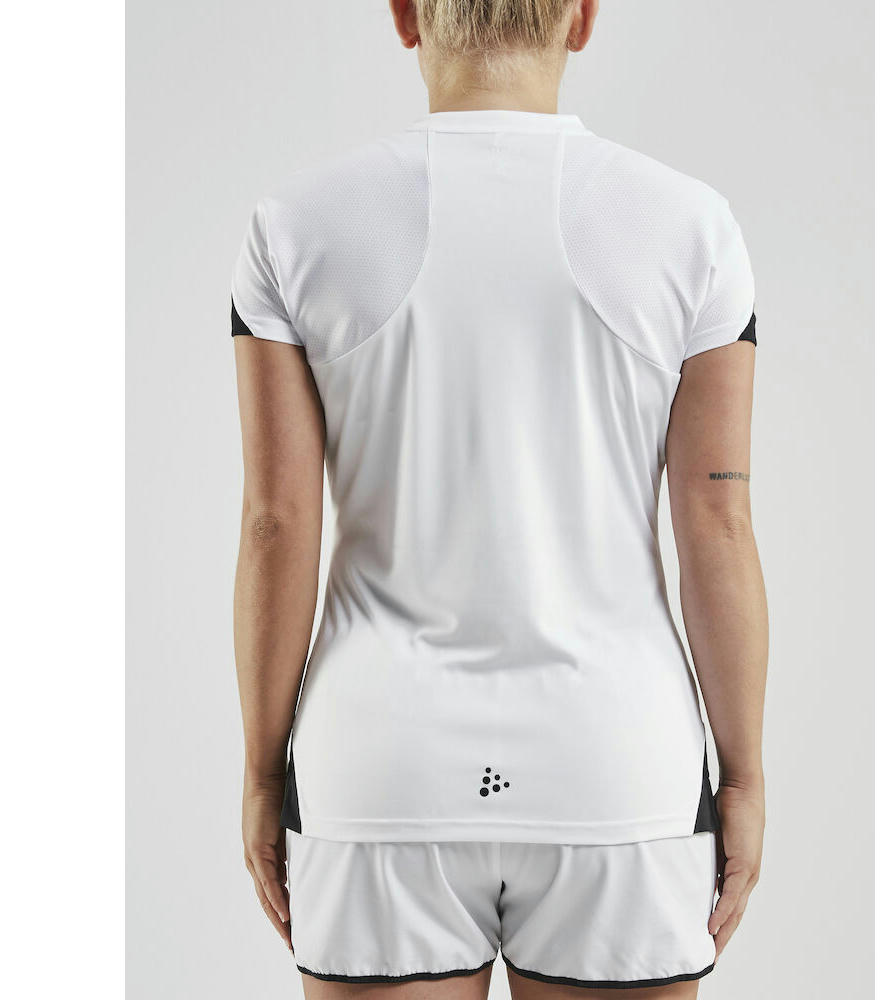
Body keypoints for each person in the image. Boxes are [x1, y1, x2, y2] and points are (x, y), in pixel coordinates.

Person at [230, 1, 768, 997]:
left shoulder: (294, 225)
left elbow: (277, 524)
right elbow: (717, 522)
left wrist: (265, 774)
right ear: (583, 17)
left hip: (379, 772)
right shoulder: (691, 226)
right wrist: (740, 775)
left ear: (404, 16)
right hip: (617, 767)